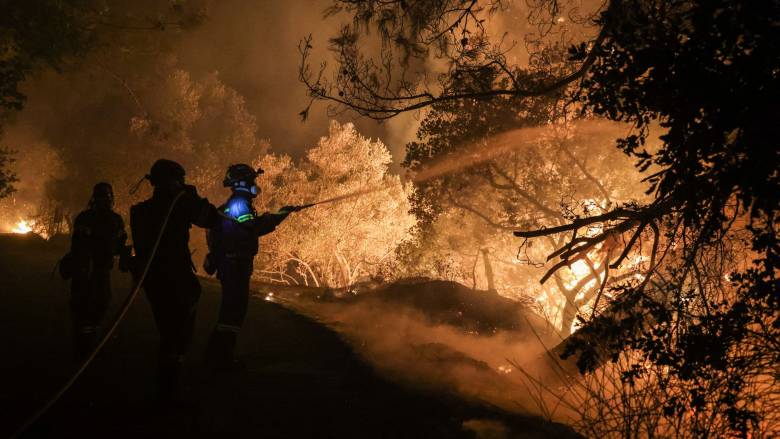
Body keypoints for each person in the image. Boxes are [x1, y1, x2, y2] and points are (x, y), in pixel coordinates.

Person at [129, 159, 220, 402]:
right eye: (180, 180)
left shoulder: (142, 211)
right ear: (173, 180)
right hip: (173, 275)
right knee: (177, 332)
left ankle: (167, 386)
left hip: (151, 278)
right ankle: (168, 392)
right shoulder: (179, 204)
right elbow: (211, 218)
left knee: (169, 332)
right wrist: (193, 196)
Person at [203, 164, 302, 370]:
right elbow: (253, 228)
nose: (255, 185)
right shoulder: (240, 203)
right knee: (233, 312)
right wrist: (280, 215)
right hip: (234, 266)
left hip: (233, 264)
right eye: (252, 181)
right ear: (244, 182)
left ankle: (217, 357)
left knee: (231, 312)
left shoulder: (237, 203)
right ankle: (220, 360)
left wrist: (281, 214)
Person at [68, 182, 129, 362]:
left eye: (108, 196)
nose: (106, 200)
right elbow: (79, 244)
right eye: (103, 196)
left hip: (101, 270)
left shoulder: (114, 220)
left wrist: (124, 252)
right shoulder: (86, 218)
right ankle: (82, 348)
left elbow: (118, 245)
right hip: (85, 270)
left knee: (100, 304)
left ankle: (88, 343)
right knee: (83, 307)